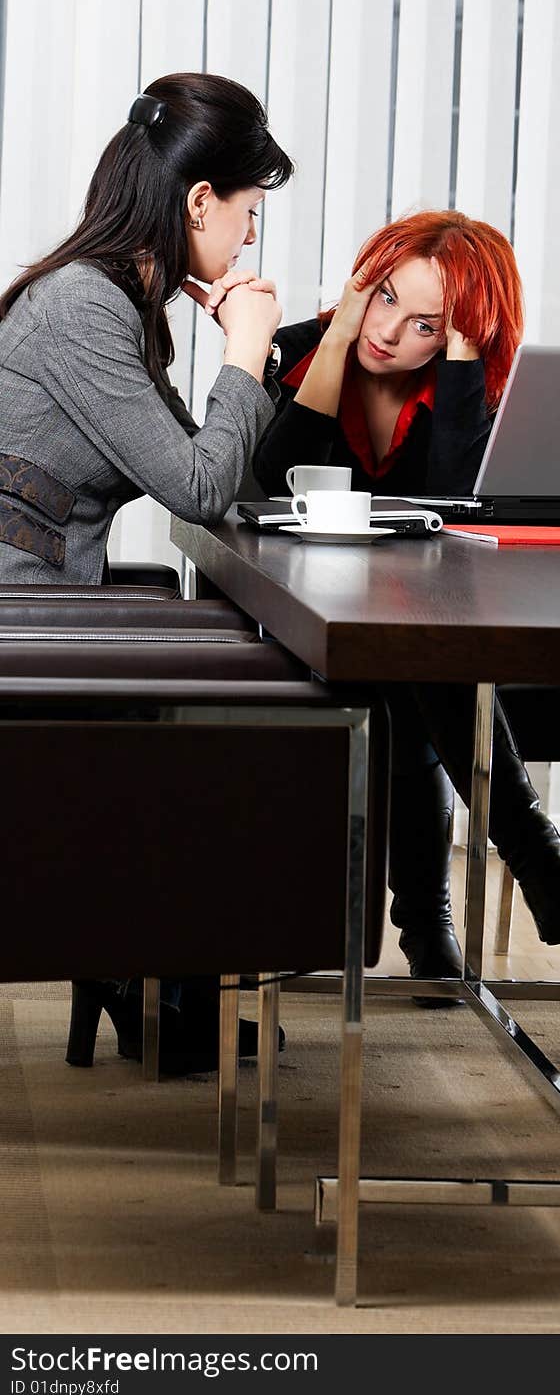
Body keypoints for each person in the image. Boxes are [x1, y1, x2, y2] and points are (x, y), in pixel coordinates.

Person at [0, 71, 292, 1066]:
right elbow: (202, 486)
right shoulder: (85, 307)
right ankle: (156, 979)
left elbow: (205, 473)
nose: (249, 237)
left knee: (222, 669)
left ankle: (155, 977)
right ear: (200, 201)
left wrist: (238, 357)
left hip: (45, 600)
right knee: (226, 693)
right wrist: (246, 354)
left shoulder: (121, 299)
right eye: (248, 211)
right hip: (19, 616)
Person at [253, 211, 560, 1002]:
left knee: (412, 653)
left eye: (427, 324)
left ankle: (434, 921)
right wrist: (337, 339)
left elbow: (455, 506)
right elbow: (272, 478)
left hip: (407, 635)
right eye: (387, 297)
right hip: (293, 626)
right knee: (419, 658)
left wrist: (465, 357)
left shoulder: (465, 388)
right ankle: (510, 862)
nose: (390, 331)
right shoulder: (295, 350)